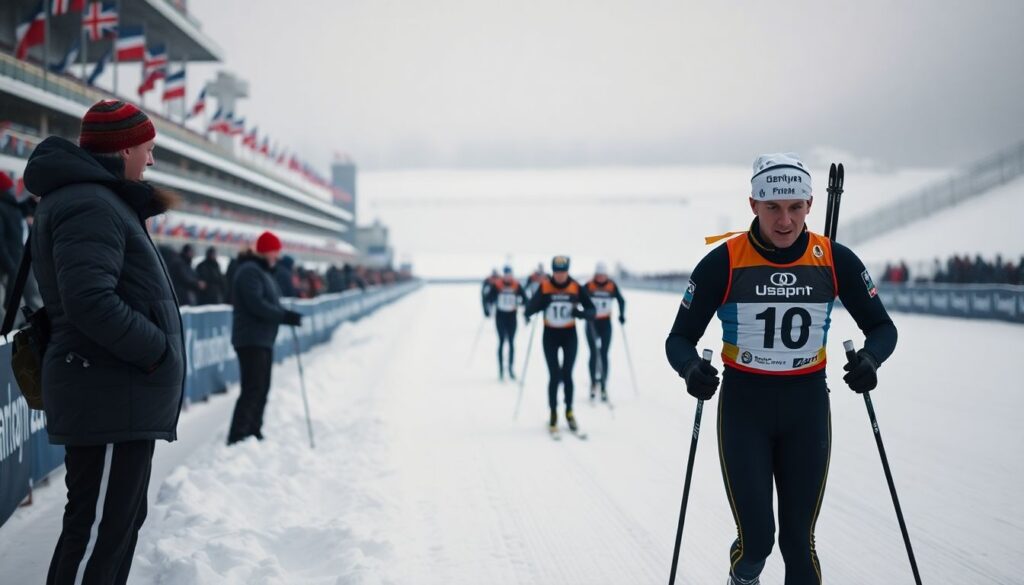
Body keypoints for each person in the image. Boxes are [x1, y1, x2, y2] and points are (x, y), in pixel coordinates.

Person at [664, 153, 898, 585]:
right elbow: (678, 338)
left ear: (811, 205)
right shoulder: (725, 261)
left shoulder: (834, 258)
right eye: (773, 207)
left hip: (806, 408)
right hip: (744, 410)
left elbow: (883, 327)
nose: (785, 220)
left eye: (794, 207)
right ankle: (743, 577)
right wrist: (690, 369)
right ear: (753, 204)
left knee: (799, 544)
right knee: (757, 542)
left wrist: (871, 359)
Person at [25, 100, 185, 585]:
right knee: (100, 530)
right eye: (148, 149)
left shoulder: (96, 199)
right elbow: (89, 301)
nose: (151, 161)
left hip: (113, 392)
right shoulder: (90, 202)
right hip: (111, 391)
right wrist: (156, 351)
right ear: (123, 150)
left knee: (113, 527)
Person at [227, 230, 303, 445]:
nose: (277, 257)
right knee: (253, 387)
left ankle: (253, 430)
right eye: (275, 252)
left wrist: (284, 315)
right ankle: (239, 434)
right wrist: (284, 316)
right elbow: (257, 304)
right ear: (266, 251)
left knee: (262, 387)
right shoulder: (250, 271)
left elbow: (270, 302)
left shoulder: (263, 272)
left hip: (262, 339)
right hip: (251, 339)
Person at [524, 255, 595, 434]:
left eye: (563, 272)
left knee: (568, 374)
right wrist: (539, 305)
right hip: (550, 335)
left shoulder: (575, 287)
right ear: (552, 271)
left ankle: (569, 411)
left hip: (569, 335)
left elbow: (592, 310)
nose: (560, 276)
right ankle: (554, 412)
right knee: (554, 375)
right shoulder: (545, 286)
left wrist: (580, 313)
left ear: (567, 271)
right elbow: (528, 309)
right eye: (557, 272)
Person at [584, 262, 626, 402]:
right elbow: (579, 298)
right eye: (599, 275)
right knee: (594, 353)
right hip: (592, 323)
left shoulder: (611, 286)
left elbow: (621, 301)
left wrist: (622, 315)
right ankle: (593, 383)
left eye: (603, 275)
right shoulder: (589, 285)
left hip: (605, 323)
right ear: (595, 274)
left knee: (604, 353)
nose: (601, 277)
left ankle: (603, 385)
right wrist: (584, 311)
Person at [483, 265, 527, 380]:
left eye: (510, 274)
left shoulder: (516, 285)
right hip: (500, 316)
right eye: (506, 274)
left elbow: (525, 299)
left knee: (512, 342)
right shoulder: (497, 284)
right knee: (502, 341)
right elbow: (488, 298)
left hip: (512, 316)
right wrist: (489, 304)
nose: (508, 277)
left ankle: (511, 369)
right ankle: (501, 369)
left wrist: (523, 305)